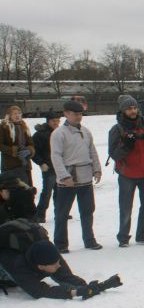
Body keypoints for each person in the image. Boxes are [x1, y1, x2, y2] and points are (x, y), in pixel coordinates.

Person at [0, 222, 121, 300]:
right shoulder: (18, 265)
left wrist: (86, 286)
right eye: (55, 264)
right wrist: (74, 293)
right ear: (41, 266)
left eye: (58, 261)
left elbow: (65, 276)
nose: (59, 265)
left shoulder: (48, 252)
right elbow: (39, 291)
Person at [50, 100, 102, 252]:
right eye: (75, 114)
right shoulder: (58, 134)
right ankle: (60, 244)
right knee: (62, 213)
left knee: (87, 211)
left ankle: (89, 240)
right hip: (68, 179)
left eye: (80, 114)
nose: (78, 117)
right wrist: (64, 176)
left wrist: (97, 169)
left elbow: (92, 151)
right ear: (66, 114)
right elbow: (56, 156)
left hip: (85, 177)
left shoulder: (86, 131)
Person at [107, 95, 144, 247]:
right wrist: (126, 146)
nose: (133, 111)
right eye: (129, 108)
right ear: (123, 110)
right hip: (127, 174)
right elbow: (114, 154)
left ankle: (143, 234)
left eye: (134, 107)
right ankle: (123, 236)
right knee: (126, 207)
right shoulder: (117, 129)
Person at [32, 112, 61, 223]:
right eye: (54, 121)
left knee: (60, 192)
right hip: (48, 167)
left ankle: (60, 213)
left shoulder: (59, 131)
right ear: (48, 121)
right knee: (47, 192)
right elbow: (35, 152)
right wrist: (41, 163)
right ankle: (40, 214)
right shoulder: (40, 134)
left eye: (58, 121)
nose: (56, 123)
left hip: (59, 166)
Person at [0, 105, 35, 186]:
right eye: (14, 113)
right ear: (9, 115)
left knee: (27, 189)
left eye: (19, 113)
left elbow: (31, 143)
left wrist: (29, 150)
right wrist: (15, 151)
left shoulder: (24, 126)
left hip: (25, 163)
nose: (17, 115)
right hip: (10, 165)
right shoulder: (4, 127)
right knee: (12, 190)